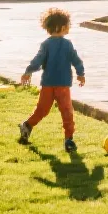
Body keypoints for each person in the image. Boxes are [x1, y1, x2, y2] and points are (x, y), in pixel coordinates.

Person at [18, 8, 85, 152]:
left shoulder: (67, 45)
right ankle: (27, 125)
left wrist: (80, 72)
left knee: (66, 111)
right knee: (43, 110)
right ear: (60, 27)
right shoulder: (47, 45)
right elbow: (38, 60)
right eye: (68, 25)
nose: (69, 27)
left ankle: (69, 139)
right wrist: (29, 71)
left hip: (62, 85)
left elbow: (75, 60)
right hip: (49, 85)